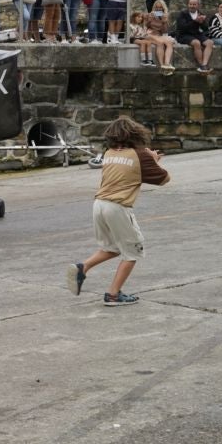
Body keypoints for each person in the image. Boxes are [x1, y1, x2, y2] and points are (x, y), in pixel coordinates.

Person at [65, 116, 170, 307]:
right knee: (133, 251)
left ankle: (83, 267)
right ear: (136, 134)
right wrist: (154, 159)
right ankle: (113, 294)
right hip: (118, 207)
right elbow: (164, 179)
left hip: (99, 204)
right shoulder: (140, 155)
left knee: (111, 248)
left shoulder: (109, 153)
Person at [172, 0, 214, 73]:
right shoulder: (183, 14)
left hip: (196, 34)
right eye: (190, 4)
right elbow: (182, 28)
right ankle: (201, 65)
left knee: (210, 43)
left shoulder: (200, 14)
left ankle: (204, 64)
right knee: (196, 43)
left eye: (194, 4)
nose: (192, 6)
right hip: (183, 35)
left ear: (198, 5)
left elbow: (205, 29)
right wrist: (195, 21)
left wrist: (202, 22)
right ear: (188, 5)